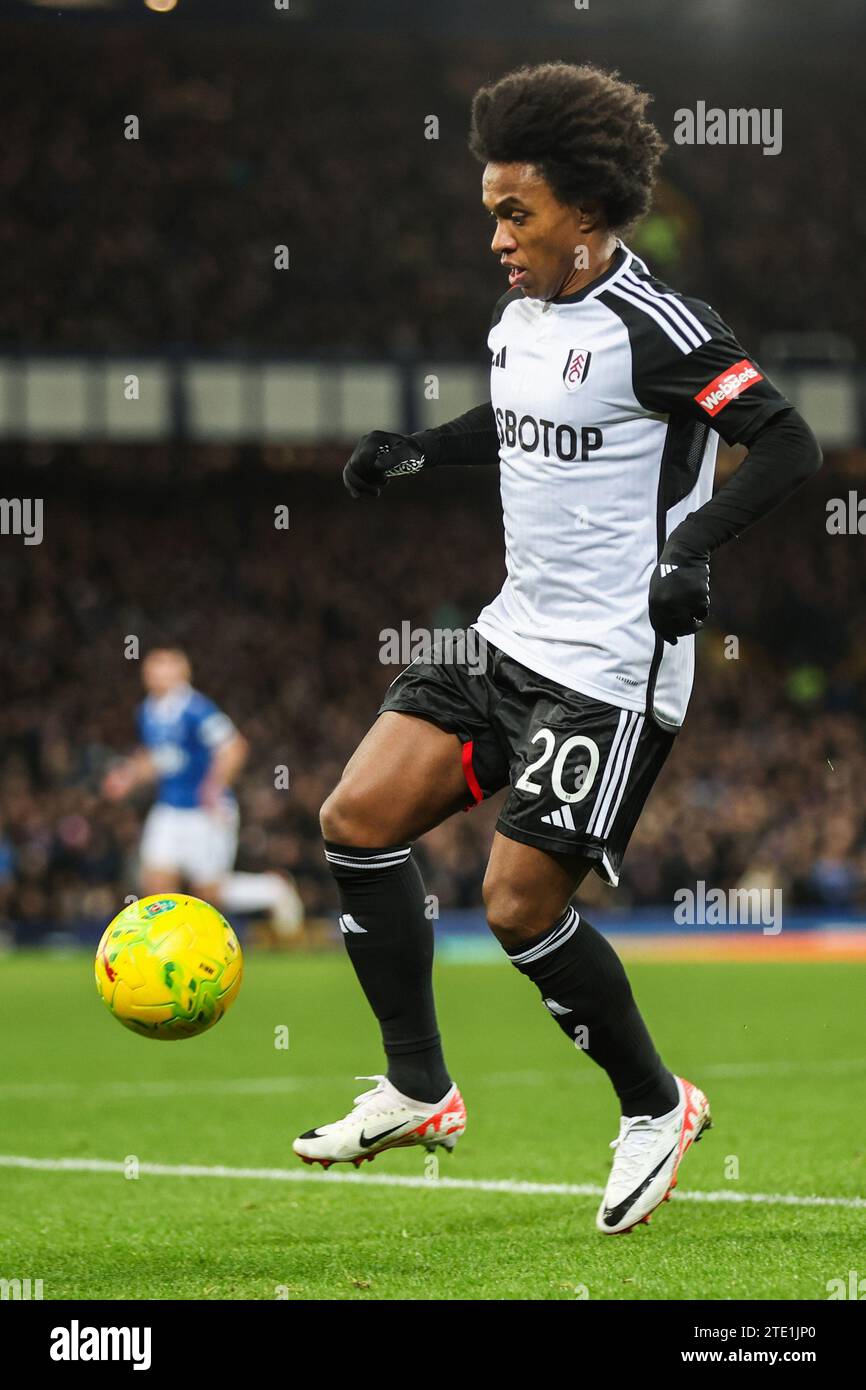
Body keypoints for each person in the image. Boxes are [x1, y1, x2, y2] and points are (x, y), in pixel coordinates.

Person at [294, 62, 821, 1234]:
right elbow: (519, 418)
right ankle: (418, 1089)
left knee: (517, 906)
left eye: (513, 212)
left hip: (609, 669)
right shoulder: (522, 316)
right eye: (489, 211)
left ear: (584, 213)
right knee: (354, 819)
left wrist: (689, 550)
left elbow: (787, 443)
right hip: (506, 638)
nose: (495, 235)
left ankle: (652, 1105)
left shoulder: (659, 325)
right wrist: (416, 451)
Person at [103, 648, 303, 935]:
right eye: (153, 667)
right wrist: (128, 776)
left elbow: (234, 747)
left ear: (182, 673)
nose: (156, 674)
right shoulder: (148, 711)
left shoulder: (196, 709)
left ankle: (272, 889)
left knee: (210, 893)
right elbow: (159, 758)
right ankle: (167, 951)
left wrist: (213, 786)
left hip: (204, 811)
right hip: (170, 808)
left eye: (165, 666)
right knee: (156, 885)